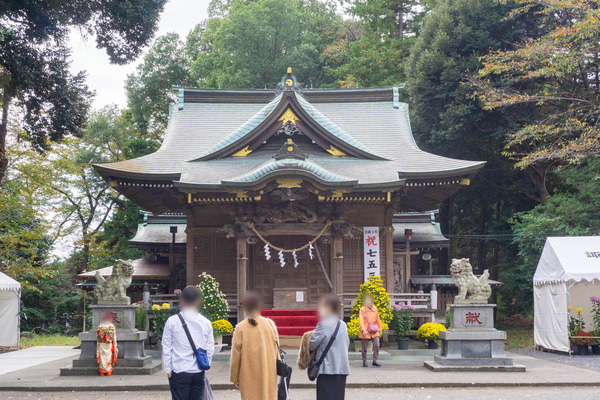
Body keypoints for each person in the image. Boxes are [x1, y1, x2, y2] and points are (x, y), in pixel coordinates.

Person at [162, 286, 215, 400]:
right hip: (198, 371)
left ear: (182, 300)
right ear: (198, 301)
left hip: (179, 369)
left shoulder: (172, 321)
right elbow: (209, 348)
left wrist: (168, 369)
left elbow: (166, 347)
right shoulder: (206, 322)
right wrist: (205, 365)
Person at [230, 291, 279, 400]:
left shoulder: (240, 328)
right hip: (268, 372)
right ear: (259, 306)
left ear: (245, 307)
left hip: (248, 375)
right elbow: (277, 351)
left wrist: (235, 377)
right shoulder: (270, 324)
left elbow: (235, 356)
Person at [309, 294, 350, 400]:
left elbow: (312, 344)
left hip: (326, 369)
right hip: (341, 369)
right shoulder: (343, 325)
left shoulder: (323, 325)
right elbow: (346, 343)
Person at [359, 293, 382, 367]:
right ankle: (364, 361)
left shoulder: (375, 308)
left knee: (377, 345)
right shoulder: (362, 309)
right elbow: (361, 320)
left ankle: (375, 360)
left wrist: (380, 330)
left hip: (374, 330)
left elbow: (378, 319)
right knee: (364, 347)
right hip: (366, 330)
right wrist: (363, 329)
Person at [96, 311, 118, 376]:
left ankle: (102, 371)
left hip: (102, 343)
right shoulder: (111, 326)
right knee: (108, 356)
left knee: (102, 356)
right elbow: (114, 336)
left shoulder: (100, 325)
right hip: (109, 343)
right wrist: (115, 344)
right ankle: (108, 371)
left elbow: (98, 337)